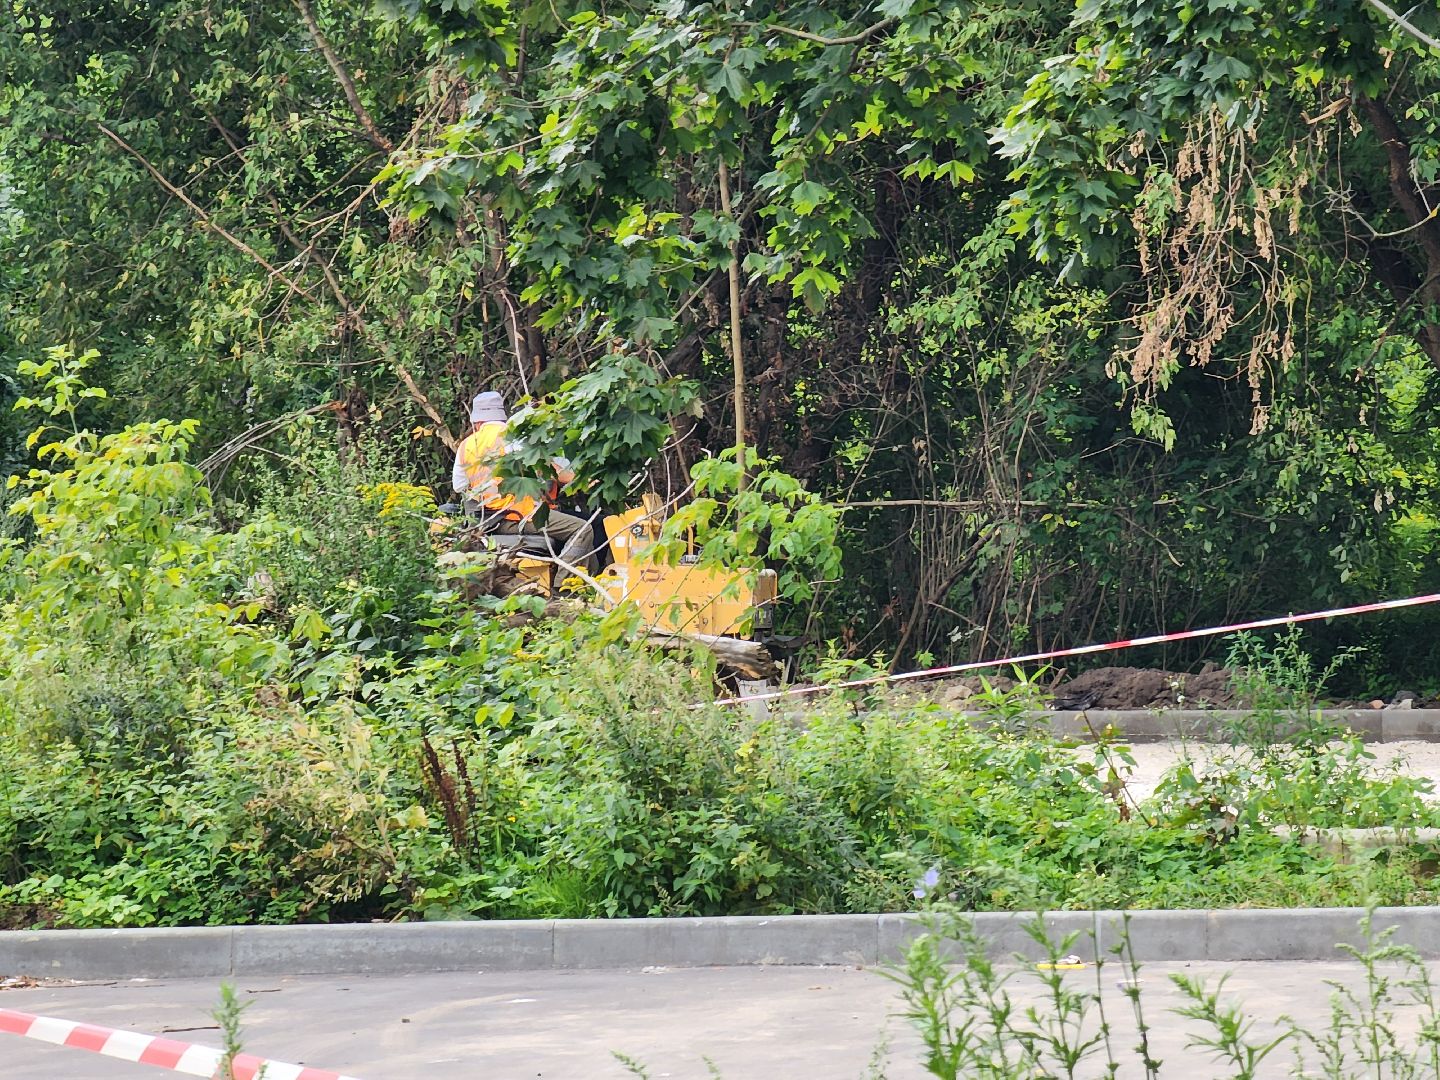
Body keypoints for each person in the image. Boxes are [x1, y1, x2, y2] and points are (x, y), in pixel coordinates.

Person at [451, 391, 597, 573]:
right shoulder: (512, 437)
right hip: (517, 516)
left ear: (477, 422)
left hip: (486, 521)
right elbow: (548, 472)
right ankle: (564, 588)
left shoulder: (466, 445)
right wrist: (585, 481)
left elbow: (459, 486)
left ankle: (584, 583)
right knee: (583, 529)